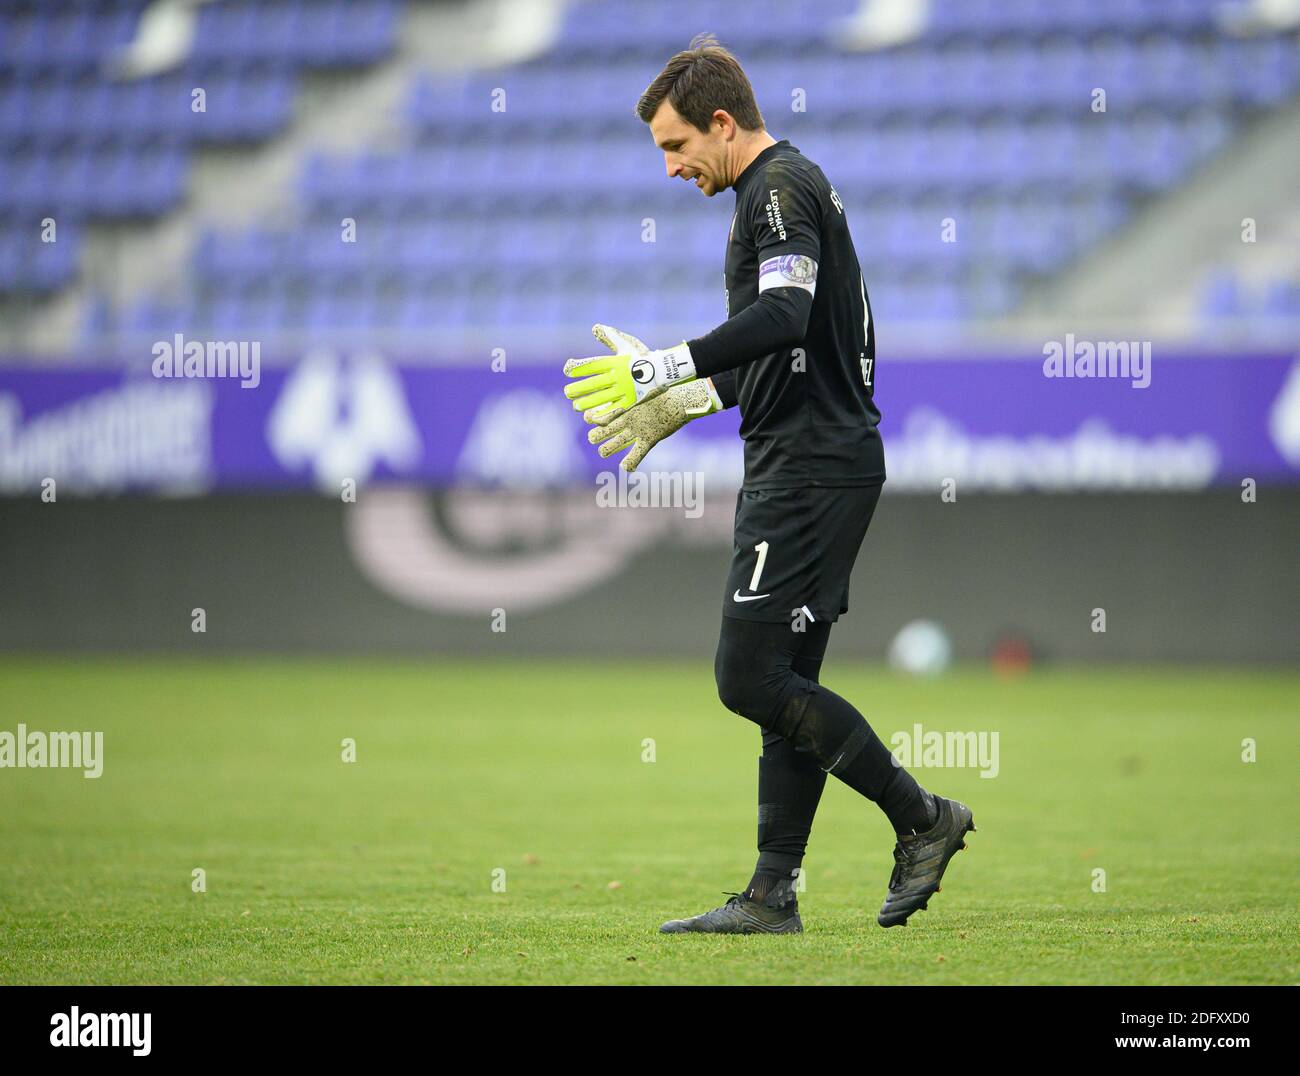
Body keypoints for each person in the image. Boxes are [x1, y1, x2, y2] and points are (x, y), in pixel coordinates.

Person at [562, 35, 974, 933]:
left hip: (809, 470)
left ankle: (922, 818)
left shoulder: (777, 190)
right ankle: (771, 893)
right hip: (818, 458)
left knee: (746, 675)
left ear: (720, 122)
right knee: (786, 680)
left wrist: (659, 370)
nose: (670, 168)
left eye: (676, 147)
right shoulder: (778, 190)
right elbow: (786, 347)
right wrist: (689, 401)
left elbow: (784, 314)